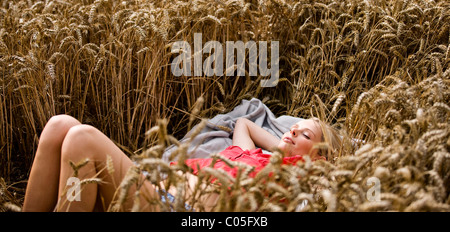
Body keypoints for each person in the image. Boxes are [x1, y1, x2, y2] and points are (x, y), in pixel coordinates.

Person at [22, 114, 341, 212]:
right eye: (293, 127)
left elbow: (330, 183)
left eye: (306, 134)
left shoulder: (296, 179)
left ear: (321, 157)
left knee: (81, 139)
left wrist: (298, 159)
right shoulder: (250, 153)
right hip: (149, 185)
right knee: (58, 127)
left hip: (173, 206)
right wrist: (285, 145)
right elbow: (244, 123)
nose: (293, 130)